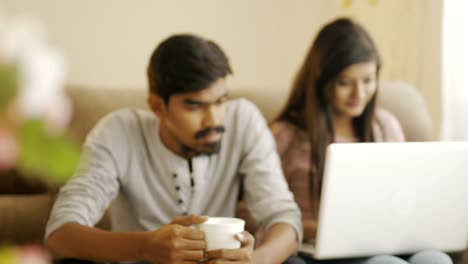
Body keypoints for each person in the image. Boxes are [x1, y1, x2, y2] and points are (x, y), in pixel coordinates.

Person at [45, 34, 302, 264]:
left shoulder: (244, 120)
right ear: (158, 107)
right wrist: (145, 247)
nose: (214, 119)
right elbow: (60, 233)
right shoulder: (118, 132)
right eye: (195, 106)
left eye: (221, 101)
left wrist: (255, 262)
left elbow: (284, 216)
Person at [270, 18, 453, 264]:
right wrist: (314, 227)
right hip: (317, 250)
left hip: (386, 241)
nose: (359, 94)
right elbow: (250, 210)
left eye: (368, 80)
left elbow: (405, 194)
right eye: (345, 83)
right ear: (322, 80)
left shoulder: (385, 127)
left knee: (434, 259)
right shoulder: (286, 135)